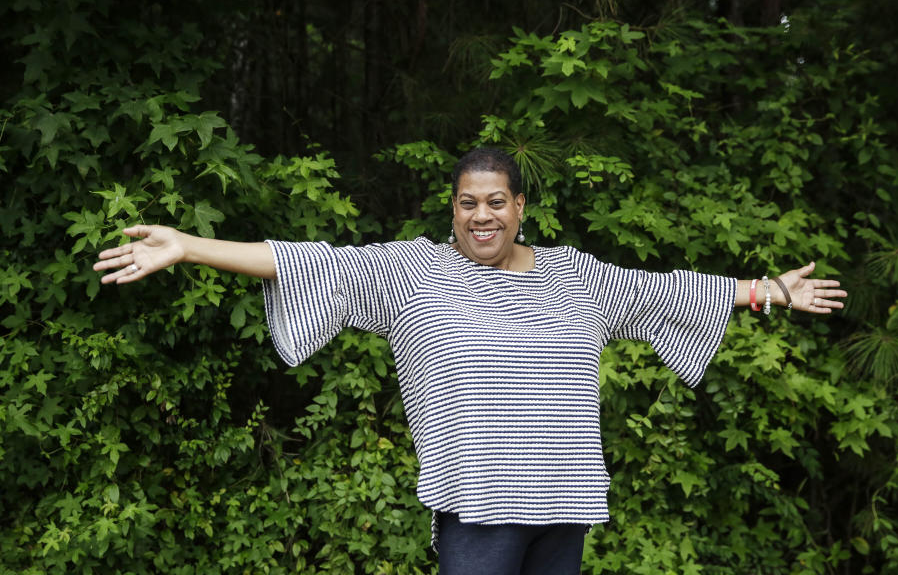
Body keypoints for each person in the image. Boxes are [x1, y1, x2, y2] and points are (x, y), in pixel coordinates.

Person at [94, 147, 846, 575]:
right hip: (479, 512)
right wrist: (190, 246)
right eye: (466, 203)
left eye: (494, 201)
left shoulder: (576, 276)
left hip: (564, 511)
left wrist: (766, 292)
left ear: (520, 206)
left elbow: (668, 291)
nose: (480, 215)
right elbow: (297, 259)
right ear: (451, 209)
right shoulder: (411, 273)